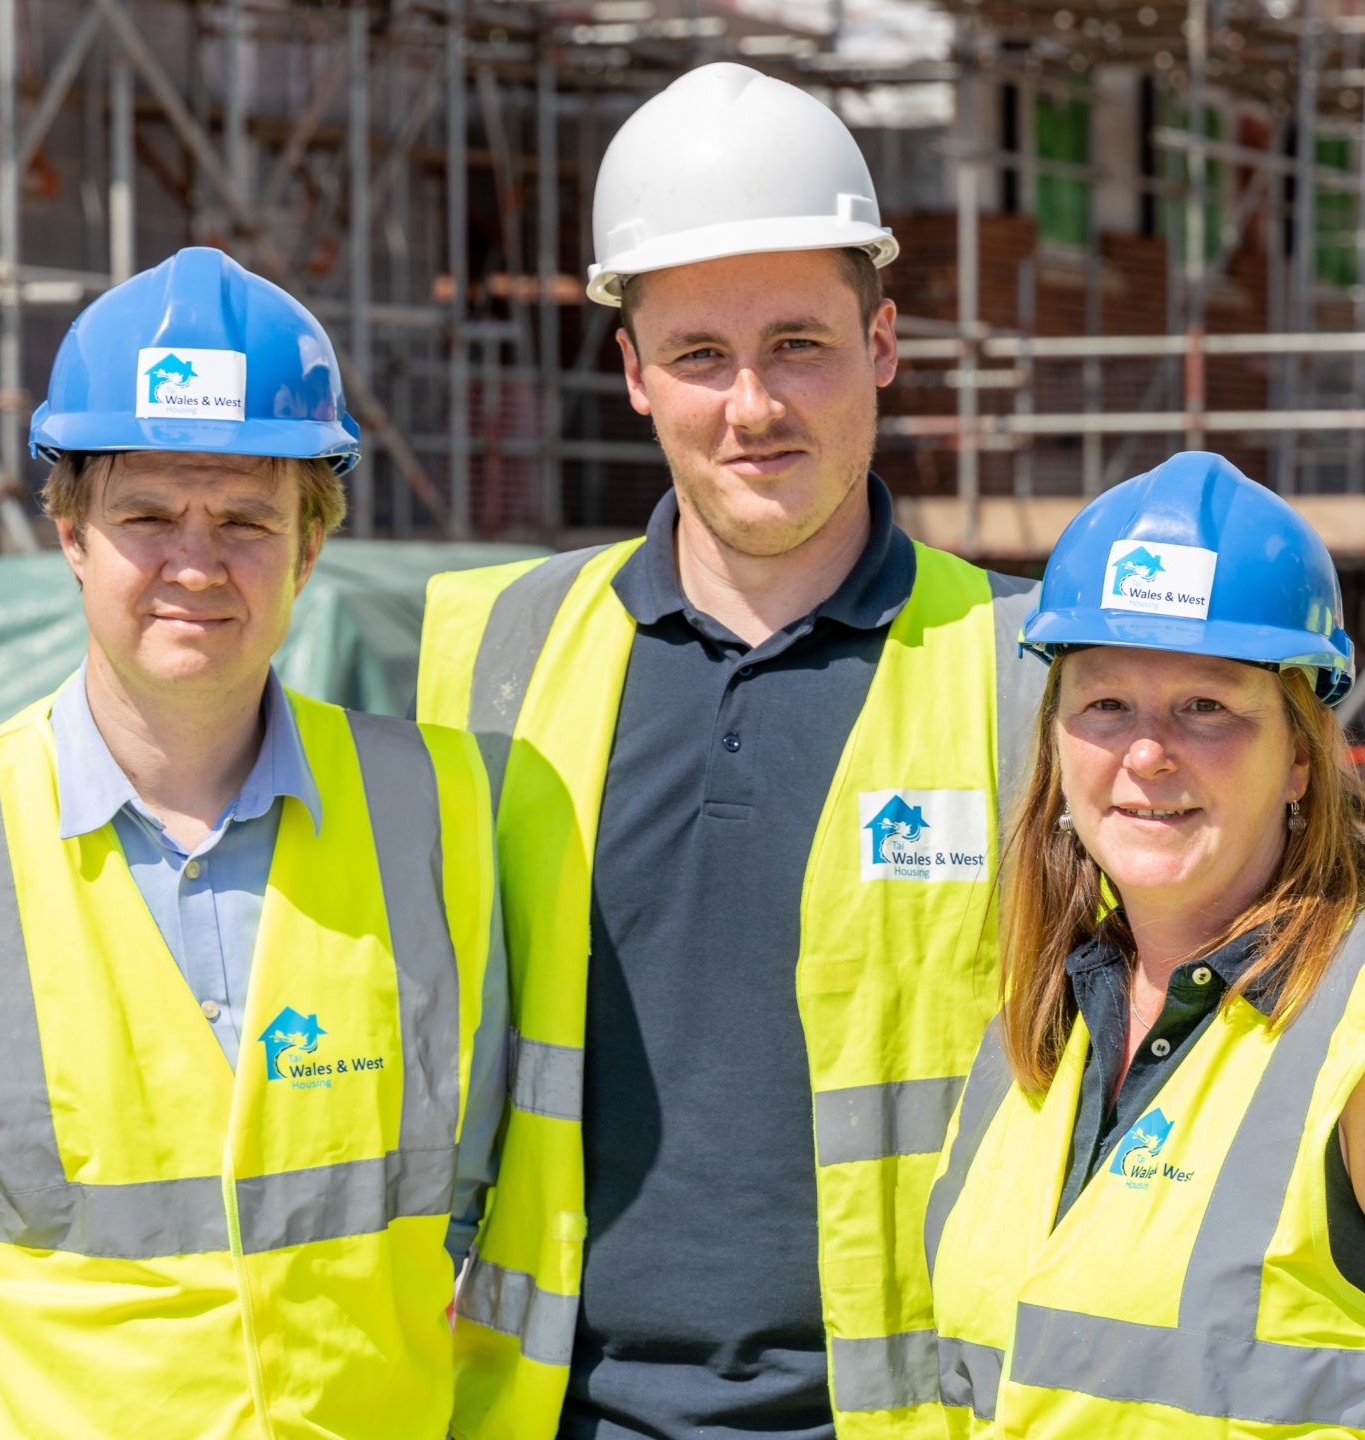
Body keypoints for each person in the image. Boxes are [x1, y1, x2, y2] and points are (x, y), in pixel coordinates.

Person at [422, 63, 1044, 1440]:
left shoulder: (1029, 674)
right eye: (701, 356)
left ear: (884, 342)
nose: (753, 405)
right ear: (635, 373)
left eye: (799, 345)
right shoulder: (496, 654)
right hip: (554, 1415)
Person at [0, 246, 505, 1435]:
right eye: (146, 515)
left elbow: (471, 1193)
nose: (195, 563)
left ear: (310, 544)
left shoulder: (437, 815)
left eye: (246, 518)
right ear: (72, 535)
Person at [925, 452, 1365, 1440]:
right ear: (1056, 739)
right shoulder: (1045, 1014)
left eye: (1207, 706)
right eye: (1105, 704)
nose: (1146, 752)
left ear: (1301, 757)